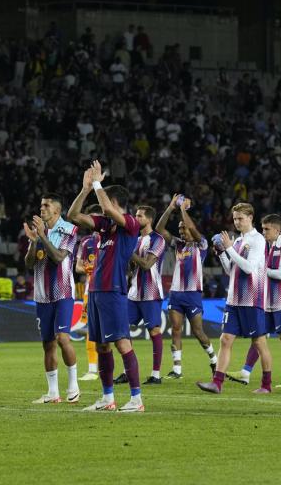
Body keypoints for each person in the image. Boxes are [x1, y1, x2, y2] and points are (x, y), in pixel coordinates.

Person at [67, 161, 144, 413]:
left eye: (105, 200)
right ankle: (107, 398)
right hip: (96, 289)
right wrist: (85, 189)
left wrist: (99, 183)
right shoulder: (105, 227)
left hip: (113, 289)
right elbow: (73, 216)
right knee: (101, 346)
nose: (102, 206)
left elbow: (110, 211)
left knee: (122, 343)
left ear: (114, 201)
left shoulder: (130, 223)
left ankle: (136, 399)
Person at [197, 203, 273, 395]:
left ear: (250, 218)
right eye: (235, 218)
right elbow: (231, 270)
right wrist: (222, 253)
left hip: (252, 300)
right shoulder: (238, 241)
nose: (237, 222)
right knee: (225, 339)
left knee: (259, 343)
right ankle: (217, 383)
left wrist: (229, 248)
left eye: (240, 218)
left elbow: (249, 268)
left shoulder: (258, 240)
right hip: (234, 300)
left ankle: (266, 385)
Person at [229, 214, 281, 389]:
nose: (263, 232)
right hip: (265, 298)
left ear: (277, 230)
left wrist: (262, 270)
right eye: (262, 228)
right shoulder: (263, 246)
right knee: (258, 335)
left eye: (267, 229)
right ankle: (245, 372)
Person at [23, 193, 81, 404]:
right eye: (41, 205)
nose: (42, 208)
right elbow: (29, 264)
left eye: (46, 205)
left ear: (57, 210)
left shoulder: (69, 229)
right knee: (48, 345)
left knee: (63, 338)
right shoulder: (40, 232)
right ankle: (53, 392)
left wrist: (42, 237)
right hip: (42, 295)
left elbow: (58, 258)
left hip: (63, 292)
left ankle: (73, 386)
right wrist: (33, 242)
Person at [154, 195, 216, 379]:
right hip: (176, 294)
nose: (181, 231)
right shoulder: (178, 245)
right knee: (176, 330)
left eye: (183, 228)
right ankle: (177, 370)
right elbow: (158, 229)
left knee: (198, 331)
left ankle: (214, 361)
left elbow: (192, 228)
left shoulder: (201, 243)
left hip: (193, 294)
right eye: (179, 229)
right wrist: (171, 207)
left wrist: (183, 209)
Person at [121, 205, 166, 385]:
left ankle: (155, 374)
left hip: (151, 292)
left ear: (149, 219)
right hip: (134, 293)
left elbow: (147, 265)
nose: (135, 218)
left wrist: (128, 252)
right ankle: (128, 371)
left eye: (139, 216)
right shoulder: (135, 239)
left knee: (154, 330)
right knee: (123, 329)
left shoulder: (158, 239)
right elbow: (133, 266)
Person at [73, 205, 102, 382]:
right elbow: (77, 267)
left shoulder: (112, 238)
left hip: (110, 289)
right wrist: (88, 268)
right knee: (92, 328)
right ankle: (92, 369)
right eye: (91, 218)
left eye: (97, 217)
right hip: (90, 289)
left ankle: (120, 369)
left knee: (112, 330)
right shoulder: (85, 242)